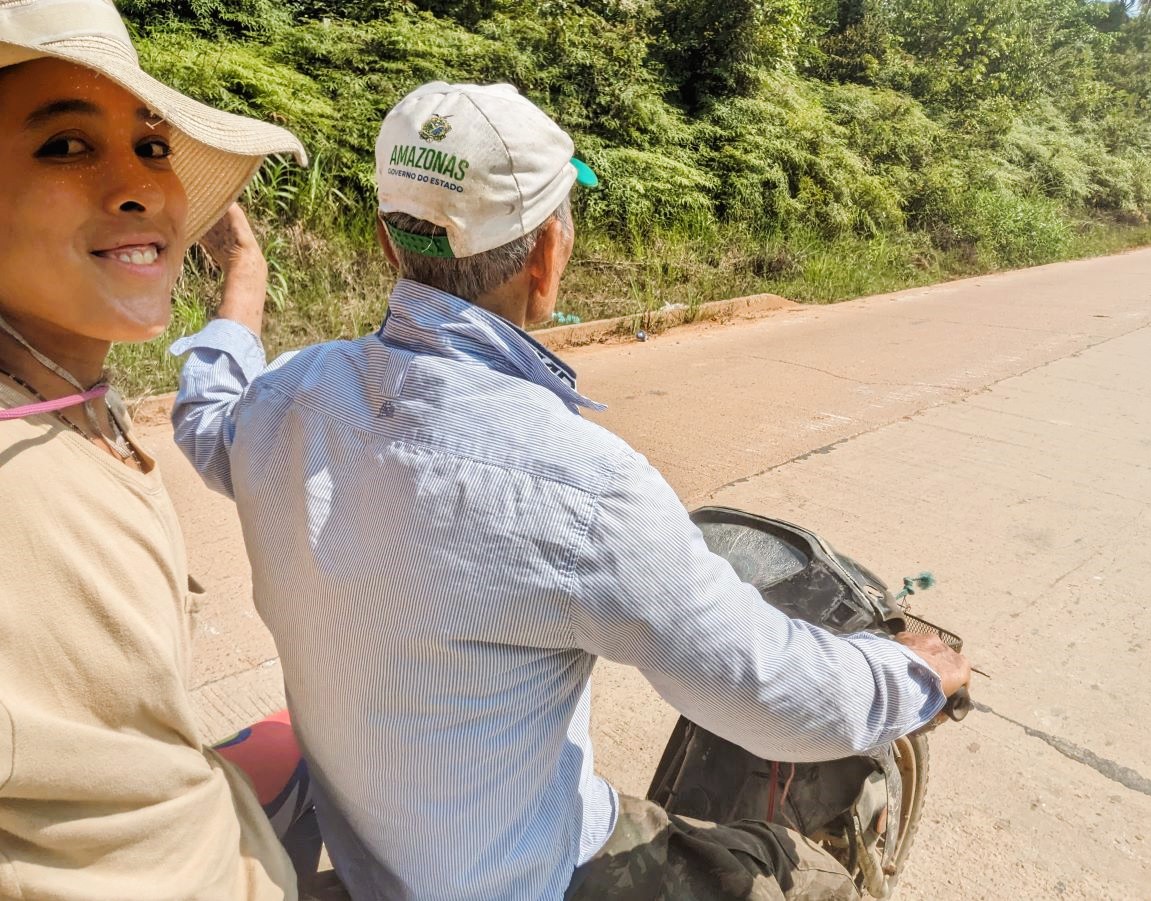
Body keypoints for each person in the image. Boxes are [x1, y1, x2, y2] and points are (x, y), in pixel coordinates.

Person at [172, 81, 971, 900]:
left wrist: (245, 271)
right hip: (532, 875)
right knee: (803, 875)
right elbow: (770, 693)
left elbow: (204, 413)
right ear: (549, 256)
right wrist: (912, 677)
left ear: (386, 242)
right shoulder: (583, 485)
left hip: (372, 853)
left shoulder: (284, 402)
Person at [0, 1, 320, 897]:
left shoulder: (67, 397)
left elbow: (213, 404)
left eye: (151, 146)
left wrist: (242, 275)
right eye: (64, 145)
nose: (138, 185)